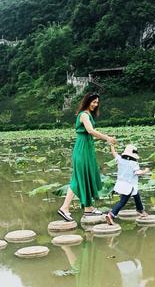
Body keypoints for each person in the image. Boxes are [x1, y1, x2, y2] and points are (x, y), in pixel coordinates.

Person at [58, 92, 116, 222]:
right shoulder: (84, 114)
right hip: (82, 150)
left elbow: (88, 135)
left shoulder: (88, 114)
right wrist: (107, 138)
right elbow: (90, 131)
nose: (95, 104)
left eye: (97, 102)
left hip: (87, 149)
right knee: (79, 179)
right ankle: (64, 208)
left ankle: (88, 208)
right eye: (93, 102)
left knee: (87, 177)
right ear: (87, 101)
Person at [105, 143, 150, 225]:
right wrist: (145, 171)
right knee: (122, 202)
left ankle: (140, 210)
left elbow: (114, 153)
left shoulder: (120, 160)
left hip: (120, 184)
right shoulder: (134, 164)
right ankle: (111, 214)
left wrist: (112, 145)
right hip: (129, 186)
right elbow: (138, 172)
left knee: (136, 195)